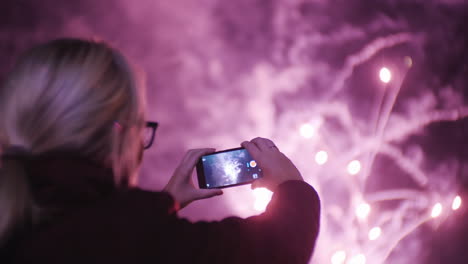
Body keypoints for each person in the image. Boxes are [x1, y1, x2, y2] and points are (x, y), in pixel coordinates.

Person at [0, 38, 320, 264]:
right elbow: (274, 251)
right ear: (118, 133)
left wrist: (159, 206)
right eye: (141, 129)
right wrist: (292, 188)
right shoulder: (135, 240)